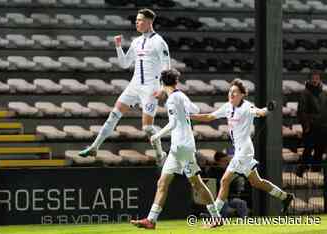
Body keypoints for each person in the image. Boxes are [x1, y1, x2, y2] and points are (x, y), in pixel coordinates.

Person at [130, 69, 222, 229]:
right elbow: (196, 110)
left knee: (197, 184)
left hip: (182, 147)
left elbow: (172, 124)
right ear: (176, 82)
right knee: (162, 182)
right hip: (177, 147)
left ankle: (216, 217)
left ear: (162, 83)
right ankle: (151, 220)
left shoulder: (172, 99)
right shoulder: (181, 96)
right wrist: (183, 115)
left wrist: (156, 135)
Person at [191, 78, 294, 219]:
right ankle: (285, 197)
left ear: (242, 94)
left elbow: (260, 112)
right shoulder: (227, 107)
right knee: (256, 182)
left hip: (244, 151)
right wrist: (190, 116)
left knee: (224, 180)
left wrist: (267, 109)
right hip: (240, 150)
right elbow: (209, 116)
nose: (231, 94)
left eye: (234, 92)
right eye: (230, 91)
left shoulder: (246, 107)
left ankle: (214, 214)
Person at [78, 8, 170, 162]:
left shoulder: (159, 42)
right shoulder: (136, 41)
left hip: (150, 88)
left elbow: (166, 67)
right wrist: (118, 47)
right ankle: (94, 147)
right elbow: (124, 64)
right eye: (136, 21)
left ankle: (160, 154)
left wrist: (163, 88)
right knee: (113, 115)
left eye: (140, 20)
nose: (137, 23)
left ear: (149, 22)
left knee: (147, 128)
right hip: (134, 85)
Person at [296, 72, 327, 177]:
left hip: (323, 127)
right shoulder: (305, 93)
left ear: (319, 80)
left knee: (320, 149)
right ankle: (301, 172)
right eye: (313, 78)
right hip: (311, 127)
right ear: (309, 80)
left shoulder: (323, 94)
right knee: (308, 149)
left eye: (317, 78)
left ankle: (316, 173)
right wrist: (306, 126)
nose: (315, 80)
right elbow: (301, 112)